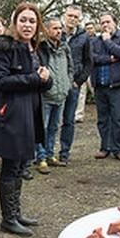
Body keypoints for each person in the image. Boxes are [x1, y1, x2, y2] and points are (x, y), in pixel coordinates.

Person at [0, 2, 51, 236]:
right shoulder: (6, 48)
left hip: (29, 114)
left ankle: (16, 213)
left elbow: (41, 81)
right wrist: (34, 78)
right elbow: (0, 81)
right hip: (10, 115)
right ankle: (8, 219)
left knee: (21, 165)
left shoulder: (34, 49)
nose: (27, 25)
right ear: (14, 23)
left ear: (37, 25)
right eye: (23, 20)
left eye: (32, 21)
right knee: (10, 166)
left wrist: (46, 78)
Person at [89, 13, 120, 161]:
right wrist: (109, 59)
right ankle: (104, 147)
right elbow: (92, 58)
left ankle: (119, 149)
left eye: (108, 21)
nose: (105, 25)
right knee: (102, 119)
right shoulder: (95, 41)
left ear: (115, 23)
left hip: (116, 85)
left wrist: (108, 41)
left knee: (117, 118)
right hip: (100, 85)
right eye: (102, 23)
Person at [35, 17, 73, 173]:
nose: (59, 31)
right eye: (55, 28)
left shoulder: (65, 48)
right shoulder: (41, 48)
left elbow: (70, 68)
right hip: (45, 95)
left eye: (60, 28)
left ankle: (50, 154)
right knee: (41, 128)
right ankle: (41, 157)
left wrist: (68, 84)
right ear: (47, 30)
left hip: (60, 94)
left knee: (53, 127)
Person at [57, 5, 91, 164]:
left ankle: (64, 153)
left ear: (80, 19)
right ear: (64, 15)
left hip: (73, 85)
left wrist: (79, 81)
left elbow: (88, 62)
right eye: (70, 15)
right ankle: (45, 152)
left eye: (76, 17)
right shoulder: (56, 32)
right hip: (55, 84)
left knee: (69, 120)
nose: (72, 19)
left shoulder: (84, 37)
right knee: (50, 120)